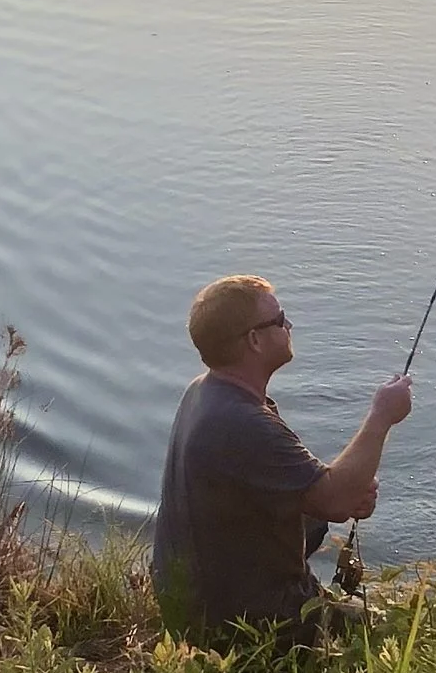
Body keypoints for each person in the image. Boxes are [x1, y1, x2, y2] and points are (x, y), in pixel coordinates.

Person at [152, 274, 413, 642]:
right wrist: (381, 415)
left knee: (315, 520)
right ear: (254, 340)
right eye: (279, 319)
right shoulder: (243, 422)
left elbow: (311, 490)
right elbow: (336, 501)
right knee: (392, 631)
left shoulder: (205, 391)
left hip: (190, 593)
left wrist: (343, 491)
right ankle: (302, 633)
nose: (289, 325)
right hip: (233, 622)